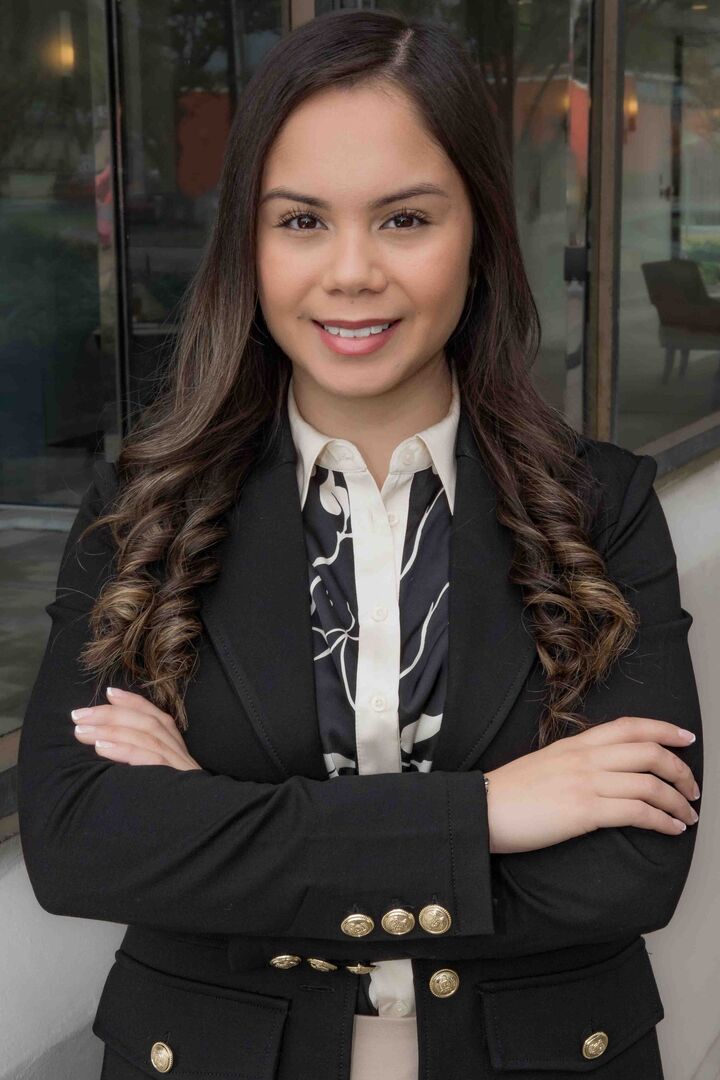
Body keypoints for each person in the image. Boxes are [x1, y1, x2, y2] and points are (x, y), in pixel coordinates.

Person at [17, 10, 703, 1079]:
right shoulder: (145, 510)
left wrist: (217, 822)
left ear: (479, 234)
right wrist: (490, 814)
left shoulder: (600, 507)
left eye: (404, 219)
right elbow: (78, 843)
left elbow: (625, 873)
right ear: (249, 243)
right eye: (301, 220)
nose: (350, 272)